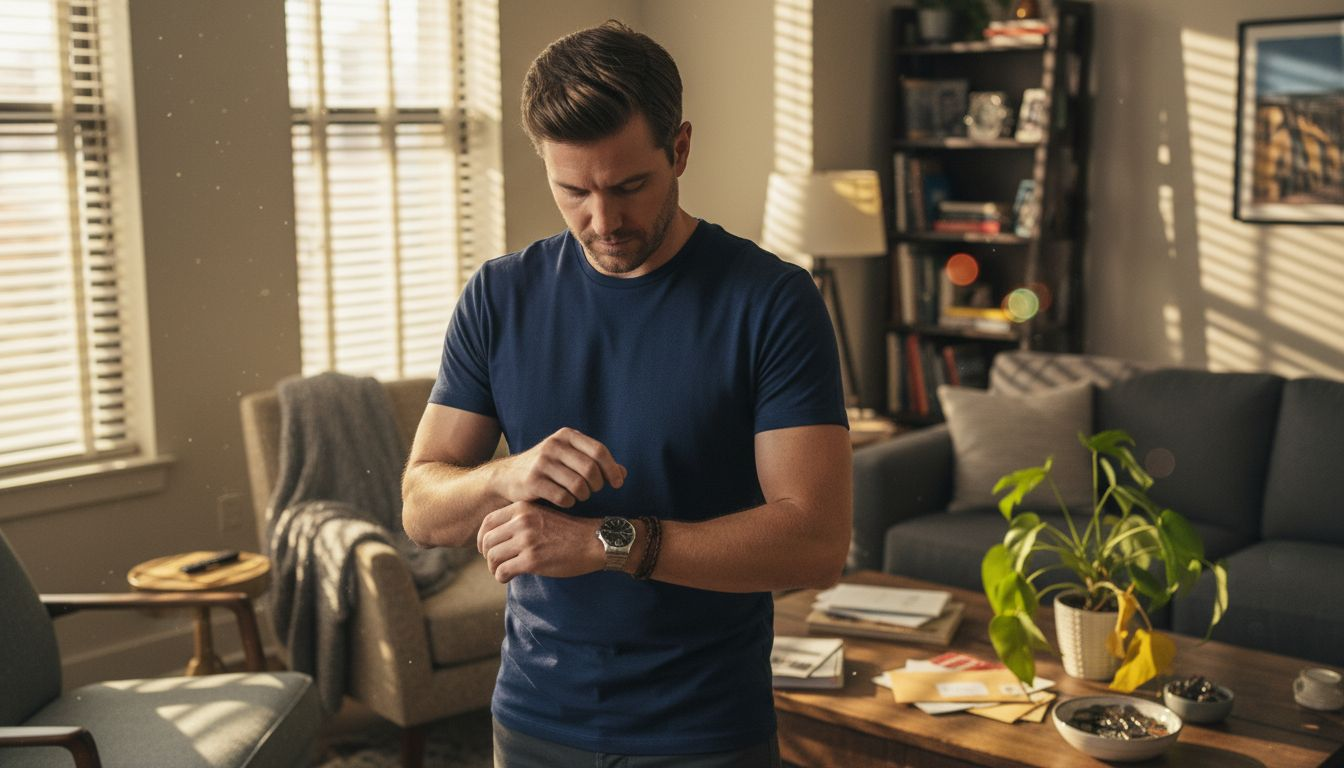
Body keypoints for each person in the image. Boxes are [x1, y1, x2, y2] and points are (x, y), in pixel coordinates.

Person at [401, 19, 852, 768]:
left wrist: (602, 543)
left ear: (679, 149)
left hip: (707, 731)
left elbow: (816, 542)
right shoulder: (498, 296)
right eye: (572, 190)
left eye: (628, 187)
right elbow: (421, 505)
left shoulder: (772, 302)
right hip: (534, 720)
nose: (602, 221)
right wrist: (502, 476)